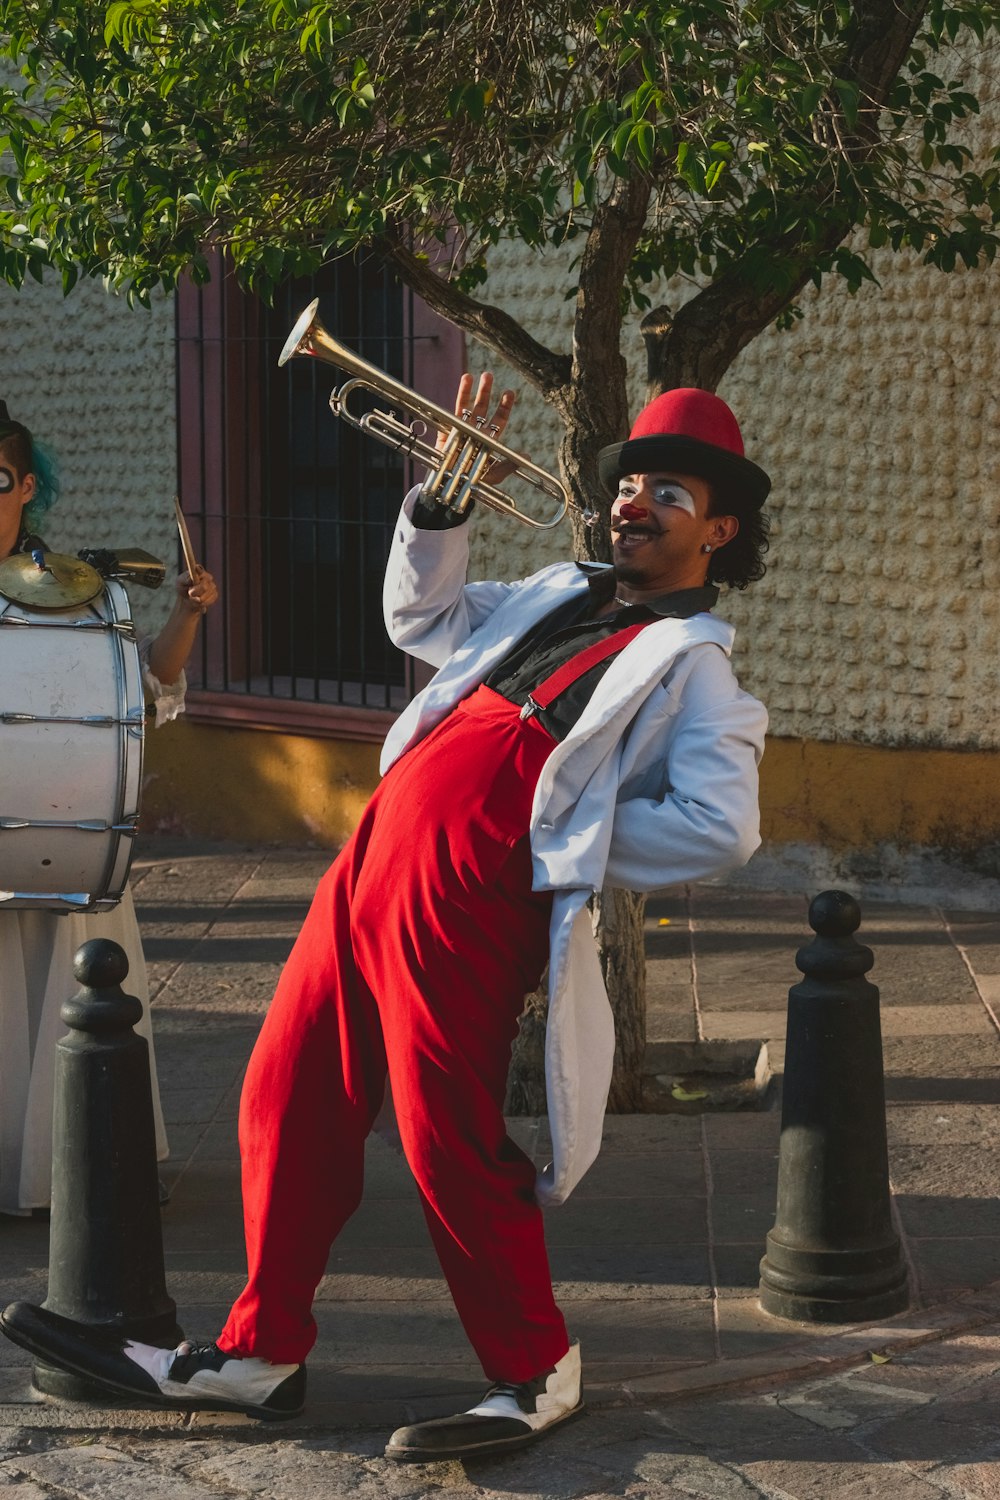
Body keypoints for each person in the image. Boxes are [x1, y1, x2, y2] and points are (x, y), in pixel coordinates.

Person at [1, 381, 770, 1461]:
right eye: (630, 486)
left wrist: (546, 852)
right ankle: (260, 1356)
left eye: (668, 493)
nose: (634, 504)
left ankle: (537, 1368)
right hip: (371, 864)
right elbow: (420, 619)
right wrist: (441, 511)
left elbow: (718, 830)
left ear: (718, 529)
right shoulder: (556, 590)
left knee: (441, 1135)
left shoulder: (699, 669)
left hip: (466, 899)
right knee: (285, 1088)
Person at [0, 402, 218, 1215]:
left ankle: (71, 1168)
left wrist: (188, 612)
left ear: (27, 486)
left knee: (68, 989)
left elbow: (150, 687)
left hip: (63, 827)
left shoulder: (69, 588)